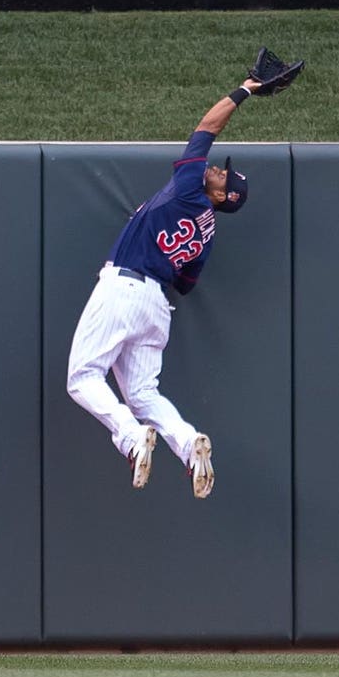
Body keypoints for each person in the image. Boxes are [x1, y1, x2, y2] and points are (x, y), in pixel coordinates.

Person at [66, 76, 264, 499]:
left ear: (223, 198)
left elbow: (205, 130)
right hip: (155, 306)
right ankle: (189, 446)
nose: (217, 169)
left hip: (125, 288)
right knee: (141, 393)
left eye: (224, 177)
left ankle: (131, 439)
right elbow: (187, 283)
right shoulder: (208, 232)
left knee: (82, 378)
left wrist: (245, 90)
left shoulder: (191, 192)